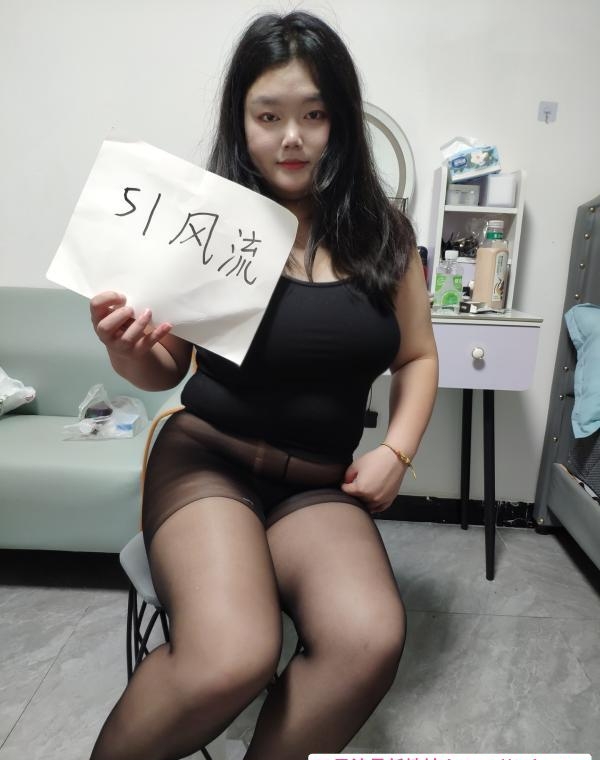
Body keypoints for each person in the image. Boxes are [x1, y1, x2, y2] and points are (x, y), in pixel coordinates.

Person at [89, 11, 438, 760]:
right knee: (234, 654)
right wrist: (125, 351)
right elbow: (165, 367)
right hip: (207, 460)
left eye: (314, 114)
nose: (292, 138)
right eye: (269, 116)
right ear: (241, 121)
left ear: (342, 120)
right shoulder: (211, 225)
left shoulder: (387, 236)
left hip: (316, 485)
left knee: (369, 639)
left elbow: (417, 357)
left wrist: (398, 451)